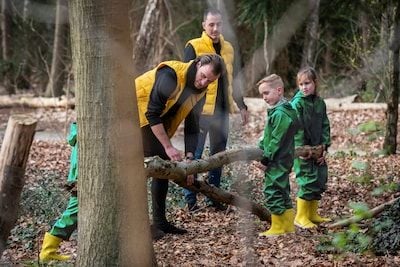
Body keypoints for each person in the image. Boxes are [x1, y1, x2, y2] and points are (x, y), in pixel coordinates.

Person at [135, 54, 225, 240]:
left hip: (154, 122)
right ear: (198, 63)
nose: (203, 82)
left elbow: (192, 126)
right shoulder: (171, 74)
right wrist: (168, 147)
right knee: (157, 164)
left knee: (160, 168)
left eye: (210, 80)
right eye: (203, 75)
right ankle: (142, 227)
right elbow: (152, 113)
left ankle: (159, 222)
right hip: (135, 114)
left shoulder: (201, 91)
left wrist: (190, 159)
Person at [182, 8, 249, 211]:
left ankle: (214, 198)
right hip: (199, 112)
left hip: (222, 111)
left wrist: (241, 104)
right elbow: (186, 79)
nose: (215, 28)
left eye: (219, 24)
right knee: (195, 155)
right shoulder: (193, 46)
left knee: (218, 156)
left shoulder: (228, 48)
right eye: (211, 24)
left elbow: (232, 79)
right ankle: (190, 201)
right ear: (203, 25)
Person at [257, 74, 300, 237]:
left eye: (266, 93)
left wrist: (266, 158)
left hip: (277, 159)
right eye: (262, 94)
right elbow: (270, 135)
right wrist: (261, 145)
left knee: (273, 191)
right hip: (283, 158)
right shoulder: (282, 111)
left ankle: (277, 227)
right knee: (282, 191)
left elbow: (276, 139)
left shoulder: (281, 114)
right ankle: (288, 226)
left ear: (279, 90)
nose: (264, 98)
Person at [290, 66, 331, 229]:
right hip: (303, 151)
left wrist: (324, 146)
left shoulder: (320, 103)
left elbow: (325, 124)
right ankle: (300, 217)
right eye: (301, 84)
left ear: (315, 83)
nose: (304, 87)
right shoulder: (297, 103)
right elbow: (296, 128)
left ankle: (312, 214)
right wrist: (301, 150)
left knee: (319, 178)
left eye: (307, 83)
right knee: (307, 180)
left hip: (318, 148)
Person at [39, 122, 78, 261]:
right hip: (80, 180)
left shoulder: (79, 131)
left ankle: (48, 252)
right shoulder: (86, 133)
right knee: (72, 214)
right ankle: (47, 252)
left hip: (78, 178)